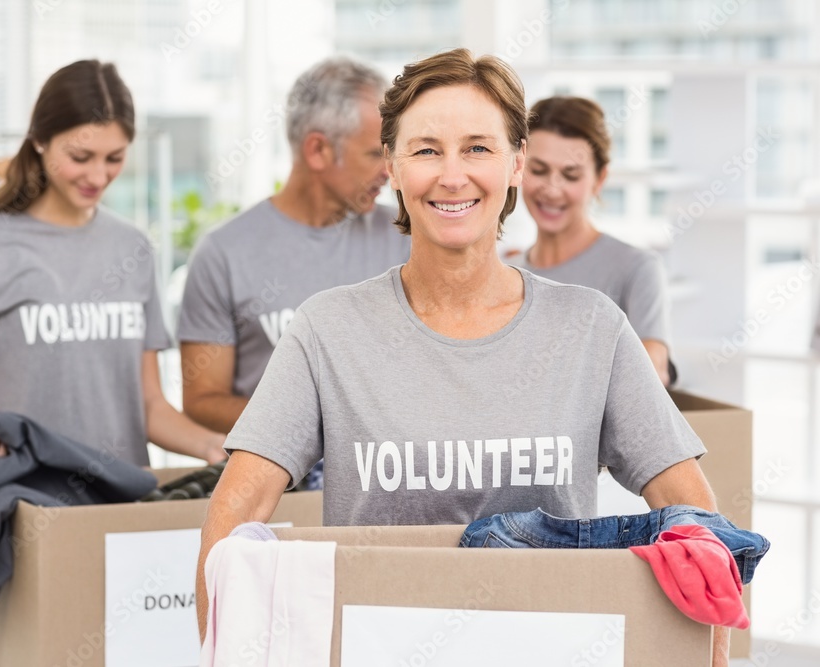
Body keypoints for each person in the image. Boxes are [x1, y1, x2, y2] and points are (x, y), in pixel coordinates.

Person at [196, 49, 728, 665]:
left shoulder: (592, 328)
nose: (453, 175)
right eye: (426, 150)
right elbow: (231, 521)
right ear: (392, 166)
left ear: (514, 164)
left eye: (478, 147)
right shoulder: (327, 329)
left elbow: (696, 521)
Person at [0, 60, 227, 474]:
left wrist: (217, 447)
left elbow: (149, 405)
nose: (98, 175)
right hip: (21, 504)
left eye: (114, 158)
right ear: (39, 140)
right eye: (80, 156)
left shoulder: (134, 248)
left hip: (120, 507)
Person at [176, 57, 411, 488]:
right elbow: (202, 398)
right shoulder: (224, 253)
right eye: (376, 153)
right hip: (279, 486)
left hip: (392, 483)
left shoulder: (407, 238)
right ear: (318, 150)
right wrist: (313, 428)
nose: (389, 170)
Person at [507, 96, 674, 385]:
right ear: (520, 168)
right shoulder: (506, 270)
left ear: (599, 179)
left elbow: (652, 376)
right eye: (538, 170)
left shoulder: (635, 269)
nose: (552, 189)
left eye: (570, 175)